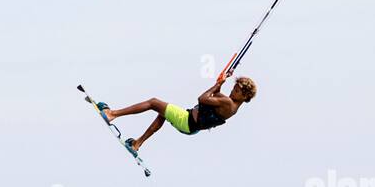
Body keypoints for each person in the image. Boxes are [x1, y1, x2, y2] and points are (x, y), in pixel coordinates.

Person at [96, 73, 257, 155]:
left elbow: (203, 98)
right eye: (234, 87)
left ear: (245, 96)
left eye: (237, 90)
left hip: (186, 120)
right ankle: (137, 143)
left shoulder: (229, 103)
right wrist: (220, 84)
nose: (233, 90)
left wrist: (217, 84)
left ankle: (112, 114)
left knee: (153, 102)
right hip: (190, 127)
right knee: (162, 113)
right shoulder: (233, 107)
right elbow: (215, 100)